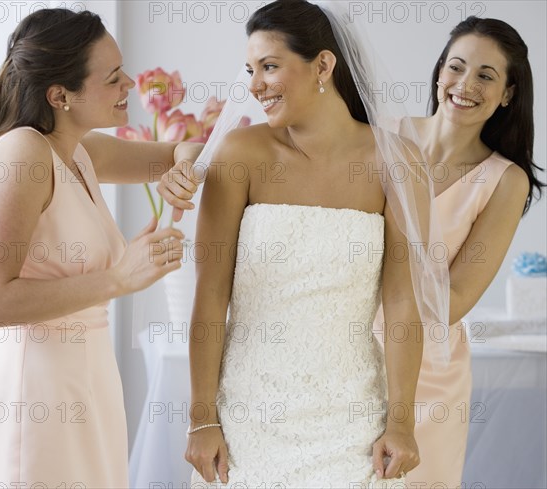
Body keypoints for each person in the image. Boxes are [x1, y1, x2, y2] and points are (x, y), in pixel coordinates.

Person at [159, 0, 449, 485]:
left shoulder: (396, 162)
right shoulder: (239, 156)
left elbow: (401, 302)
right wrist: (202, 418)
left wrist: (401, 422)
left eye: (269, 66)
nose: (254, 85)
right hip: (248, 417)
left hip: (353, 420)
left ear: (323, 65)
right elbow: (210, 295)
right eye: (250, 70)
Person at [0, 8, 201, 488]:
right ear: (60, 95)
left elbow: (185, 150)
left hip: (88, 386)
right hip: (33, 399)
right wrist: (118, 278)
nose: (129, 82)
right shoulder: (22, 153)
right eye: (112, 78)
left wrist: (182, 170)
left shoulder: (80, 151)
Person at [373, 17, 544, 488]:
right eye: (456, 67)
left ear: (508, 93)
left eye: (486, 76)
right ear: (438, 72)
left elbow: (456, 299)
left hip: (430, 372)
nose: (465, 85)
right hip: (347, 348)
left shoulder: (504, 181)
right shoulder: (379, 134)